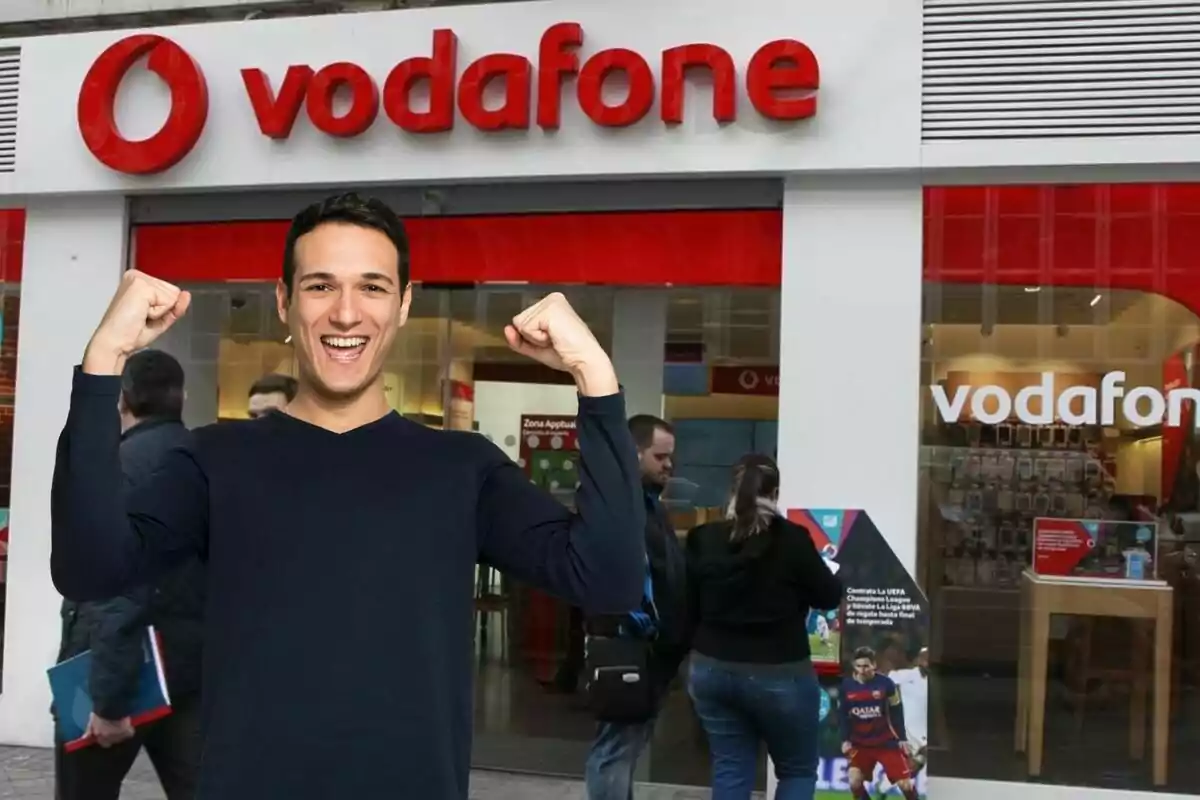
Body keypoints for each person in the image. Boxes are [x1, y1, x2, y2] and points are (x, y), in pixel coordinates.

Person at [50, 192, 646, 800]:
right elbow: (89, 566)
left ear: (404, 304)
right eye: (319, 286)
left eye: (372, 287)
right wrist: (103, 364)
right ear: (284, 302)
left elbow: (610, 579)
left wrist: (594, 377)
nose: (345, 313)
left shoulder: (461, 469)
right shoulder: (215, 461)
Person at [54, 349, 205, 800]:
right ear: (182, 397)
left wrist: (108, 700)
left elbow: (116, 592)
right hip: (188, 675)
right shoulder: (204, 461)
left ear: (124, 400)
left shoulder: (117, 468)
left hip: (111, 673)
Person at [685, 454, 842, 800]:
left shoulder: (703, 538)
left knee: (731, 766)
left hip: (712, 667)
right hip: (781, 671)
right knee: (797, 770)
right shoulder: (793, 539)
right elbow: (830, 596)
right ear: (776, 492)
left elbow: (687, 605)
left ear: (732, 490)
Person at [584, 414, 689, 800]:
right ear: (634, 453)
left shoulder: (646, 505)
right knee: (614, 750)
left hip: (650, 653)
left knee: (626, 748)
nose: (669, 465)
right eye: (660, 457)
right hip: (627, 648)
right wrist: (643, 625)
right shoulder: (618, 507)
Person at [840, 647, 918, 800]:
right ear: (854, 667)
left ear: (874, 665)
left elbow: (896, 711)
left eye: (866, 666)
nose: (863, 670)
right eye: (859, 666)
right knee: (854, 782)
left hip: (886, 742)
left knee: (905, 785)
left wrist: (902, 738)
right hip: (860, 743)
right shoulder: (846, 686)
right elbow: (843, 715)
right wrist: (845, 739)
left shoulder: (886, 684)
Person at [877, 647, 929, 799]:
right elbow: (885, 678)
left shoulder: (932, 681)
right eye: (926, 658)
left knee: (913, 768)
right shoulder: (908, 675)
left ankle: (883, 787)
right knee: (926, 756)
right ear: (920, 660)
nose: (928, 662)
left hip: (924, 729)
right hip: (909, 730)